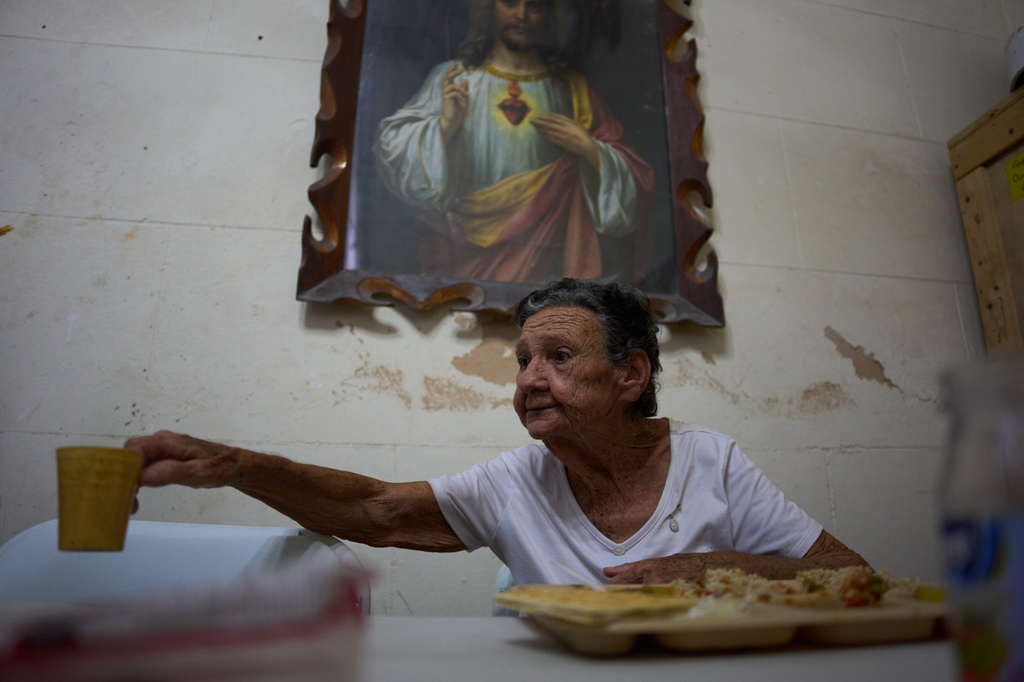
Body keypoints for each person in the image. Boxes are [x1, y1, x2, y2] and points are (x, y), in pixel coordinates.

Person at [127, 278, 867, 589]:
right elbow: (376, 510)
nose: (528, 381)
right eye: (522, 362)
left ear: (630, 376)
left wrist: (720, 569)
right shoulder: (517, 481)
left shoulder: (712, 460)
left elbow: (851, 576)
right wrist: (233, 465)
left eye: (559, 359)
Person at [372, 0, 655, 285]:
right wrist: (445, 127)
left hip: (546, 261)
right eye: (510, 3)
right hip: (461, 257)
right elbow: (391, 152)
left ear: (547, 16)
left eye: (534, 6)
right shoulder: (453, 78)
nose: (521, 15)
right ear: (489, 9)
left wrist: (590, 149)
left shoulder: (573, 90)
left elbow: (636, 182)